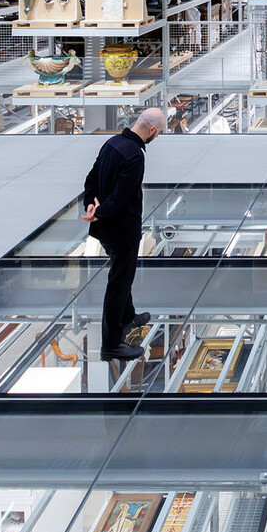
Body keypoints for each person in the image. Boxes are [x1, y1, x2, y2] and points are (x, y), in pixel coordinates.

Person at [81, 108, 165, 361]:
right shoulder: (135, 155)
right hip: (122, 231)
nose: (157, 136)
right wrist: (100, 212)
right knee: (119, 284)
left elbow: (91, 179)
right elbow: (122, 195)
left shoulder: (112, 143)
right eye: (159, 132)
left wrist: (90, 205)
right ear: (152, 130)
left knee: (123, 275)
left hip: (106, 229)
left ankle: (128, 316)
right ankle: (111, 344)